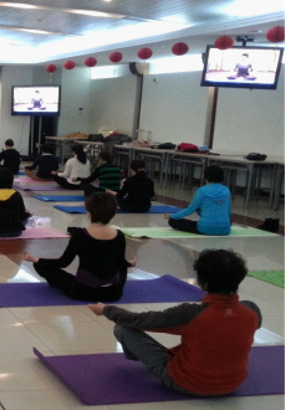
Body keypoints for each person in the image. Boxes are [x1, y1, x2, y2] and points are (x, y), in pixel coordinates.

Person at [88, 249, 261, 397]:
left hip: (186, 383)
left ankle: (142, 358)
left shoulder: (190, 313)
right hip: (233, 384)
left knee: (123, 328)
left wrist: (106, 310)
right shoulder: (252, 311)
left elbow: (138, 320)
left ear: (204, 283)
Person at [19, 193, 135, 302]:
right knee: (122, 268)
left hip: (83, 292)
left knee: (40, 265)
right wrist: (130, 263)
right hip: (113, 294)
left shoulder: (80, 235)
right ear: (113, 213)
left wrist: (35, 259)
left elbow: (63, 262)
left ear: (89, 213)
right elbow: (121, 263)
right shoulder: (119, 235)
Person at [166, 165, 231, 235]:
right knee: (226, 221)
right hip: (225, 229)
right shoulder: (226, 190)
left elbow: (190, 210)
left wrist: (173, 216)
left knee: (173, 221)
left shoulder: (202, 191)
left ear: (206, 177)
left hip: (205, 228)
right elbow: (228, 213)